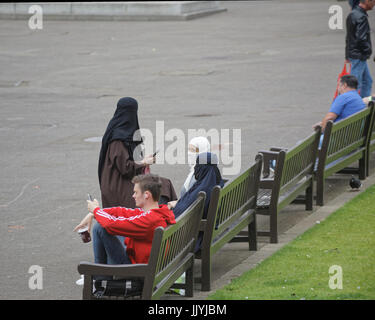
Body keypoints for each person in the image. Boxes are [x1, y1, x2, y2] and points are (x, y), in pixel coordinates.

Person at [74, 174, 176, 266]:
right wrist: (94, 213)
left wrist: (96, 211)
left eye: (136, 192)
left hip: (138, 268)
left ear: (146, 195)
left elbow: (111, 225)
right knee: (103, 224)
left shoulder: (149, 220)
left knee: (100, 227)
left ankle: (99, 280)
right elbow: (121, 211)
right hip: (146, 262)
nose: (133, 196)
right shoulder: (157, 213)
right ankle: (100, 277)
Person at [98, 97, 177, 209]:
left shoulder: (121, 132)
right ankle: (156, 218)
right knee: (160, 187)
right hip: (118, 186)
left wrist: (143, 160)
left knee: (165, 183)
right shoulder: (117, 139)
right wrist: (144, 162)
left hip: (125, 180)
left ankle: (160, 217)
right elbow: (125, 168)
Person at [170, 152, 224, 220]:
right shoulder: (217, 182)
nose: (195, 167)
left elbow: (183, 212)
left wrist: (174, 207)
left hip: (189, 227)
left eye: (197, 164)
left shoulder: (203, 190)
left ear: (202, 168)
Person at [345, 0, 375, 98]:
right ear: (367, 1)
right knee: (354, 85)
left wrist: (347, 54)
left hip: (354, 54)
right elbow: (361, 38)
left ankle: (362, 103)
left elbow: (349, 37)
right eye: (373, 1)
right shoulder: (361, 17)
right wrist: (368, 51)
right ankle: (354, 106)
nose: (374, 4)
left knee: (367, 81)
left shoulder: (353, 14)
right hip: (359, 55)